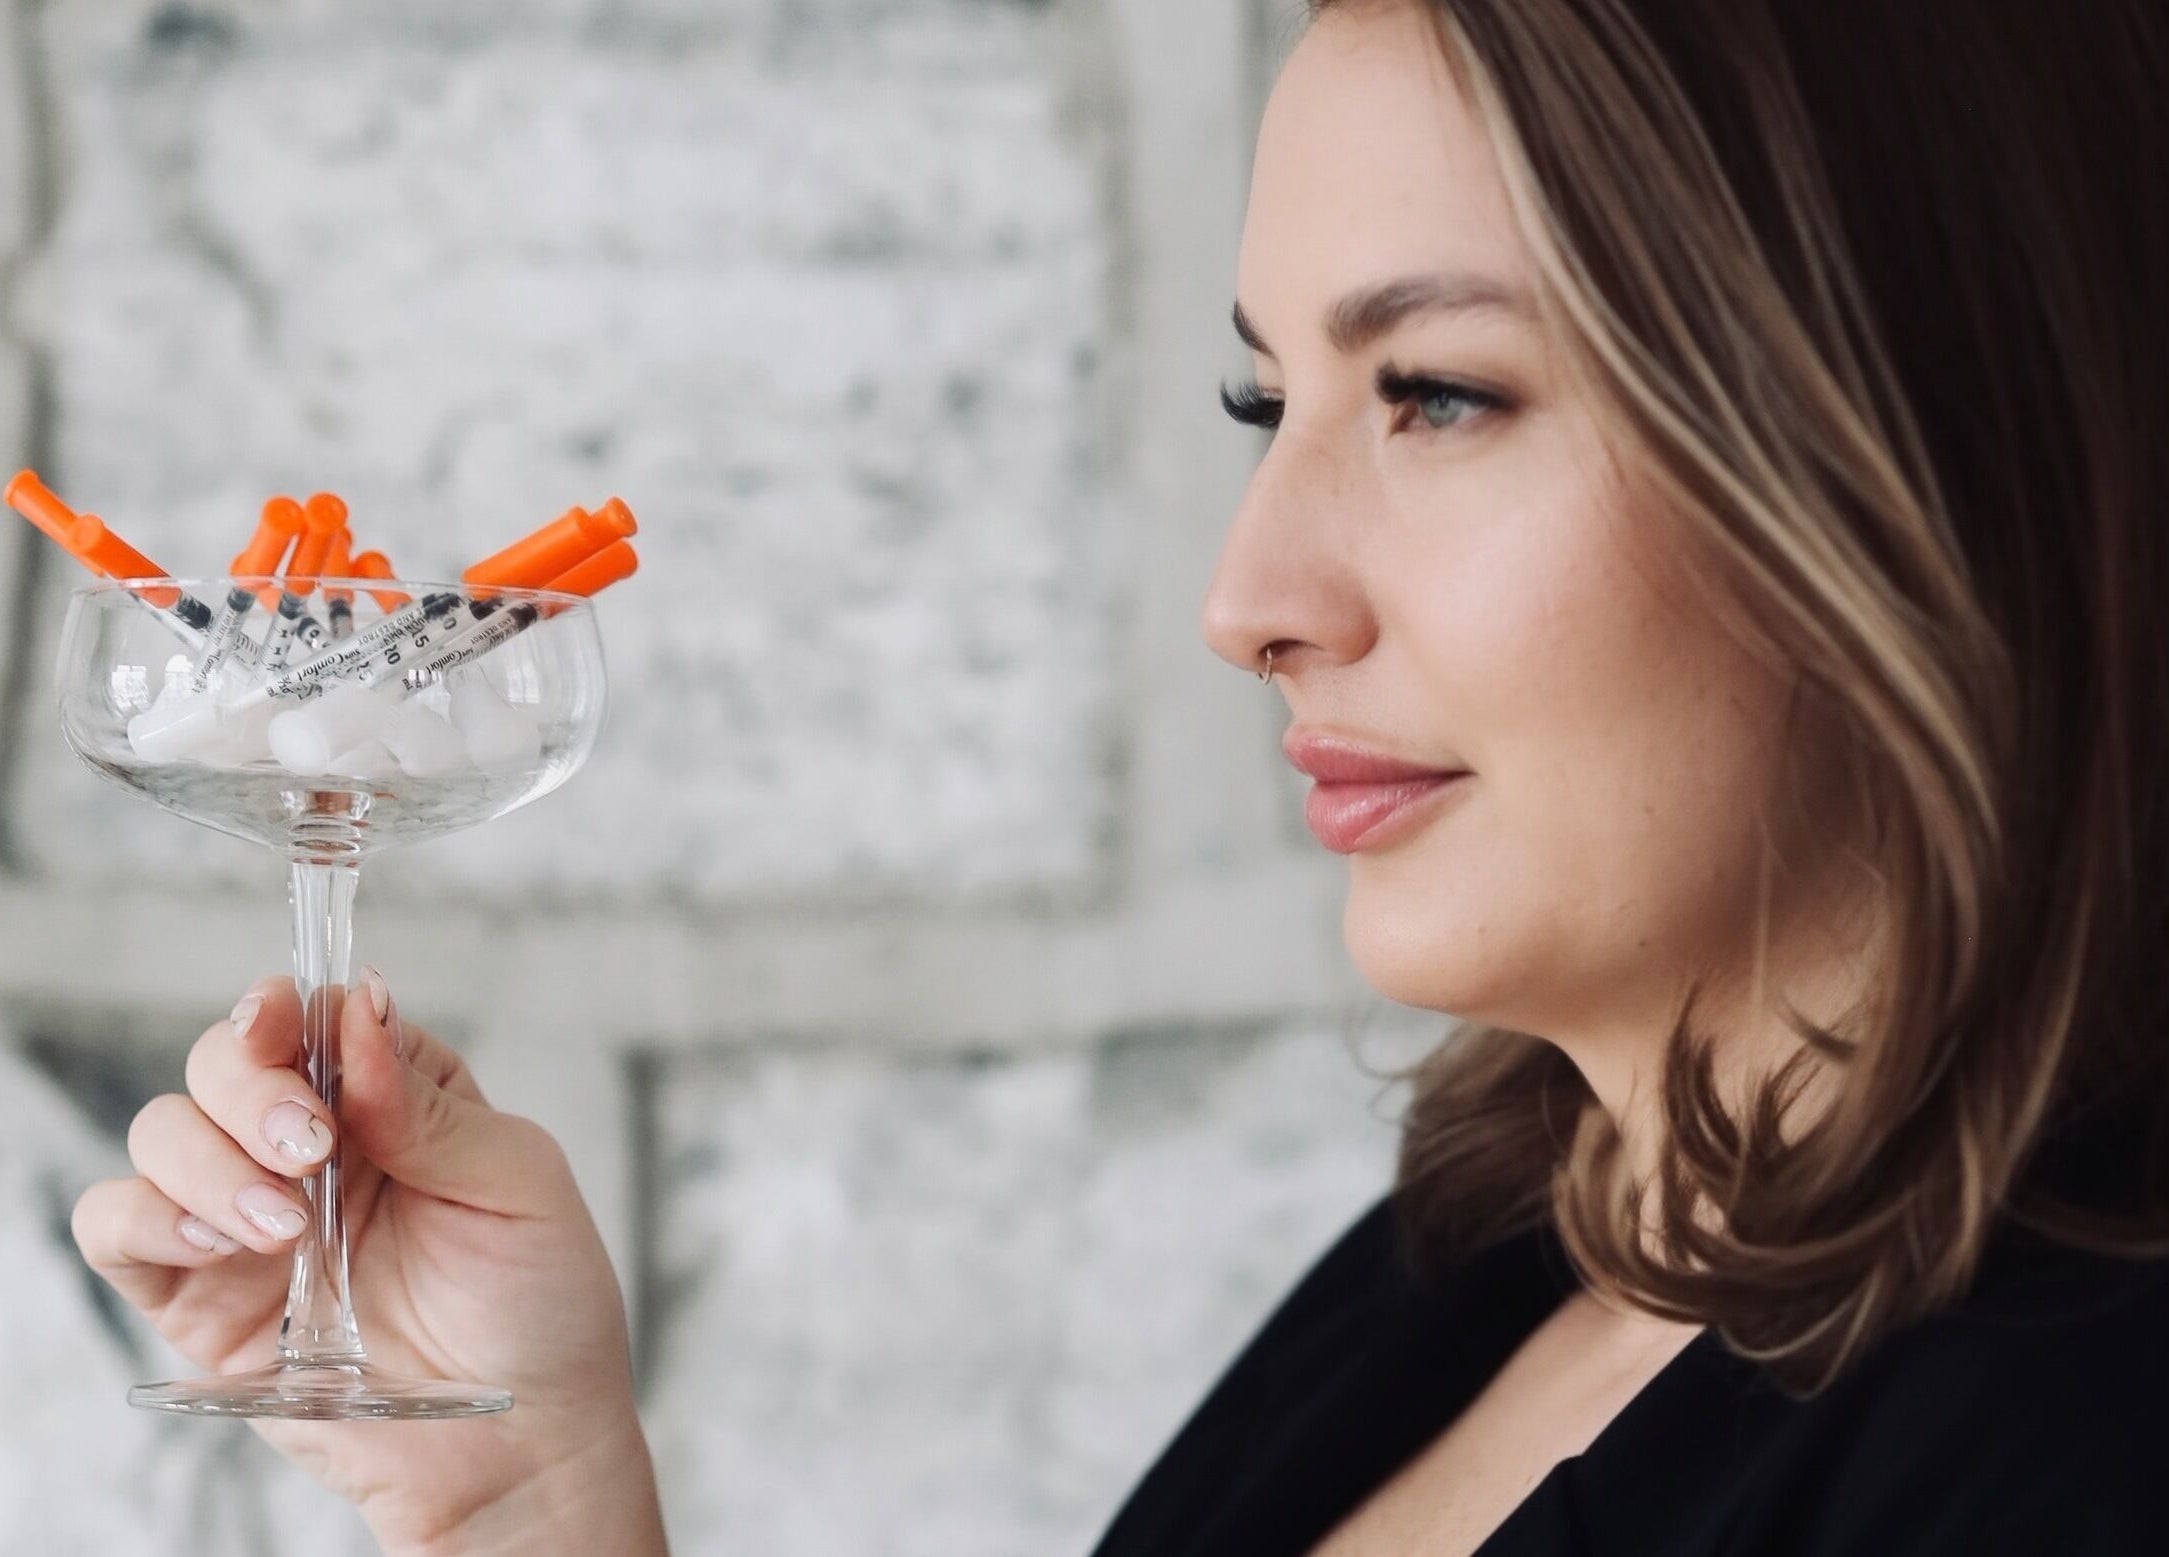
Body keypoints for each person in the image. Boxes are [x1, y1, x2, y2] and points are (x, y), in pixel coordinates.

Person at [70, 0, 2169, 1551]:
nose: (1247, 595)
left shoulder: (2072, 1442)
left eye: (1432, 393)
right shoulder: (1504, 1254)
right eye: (1275, 397)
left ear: (1913, 442)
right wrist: (526, 1498)